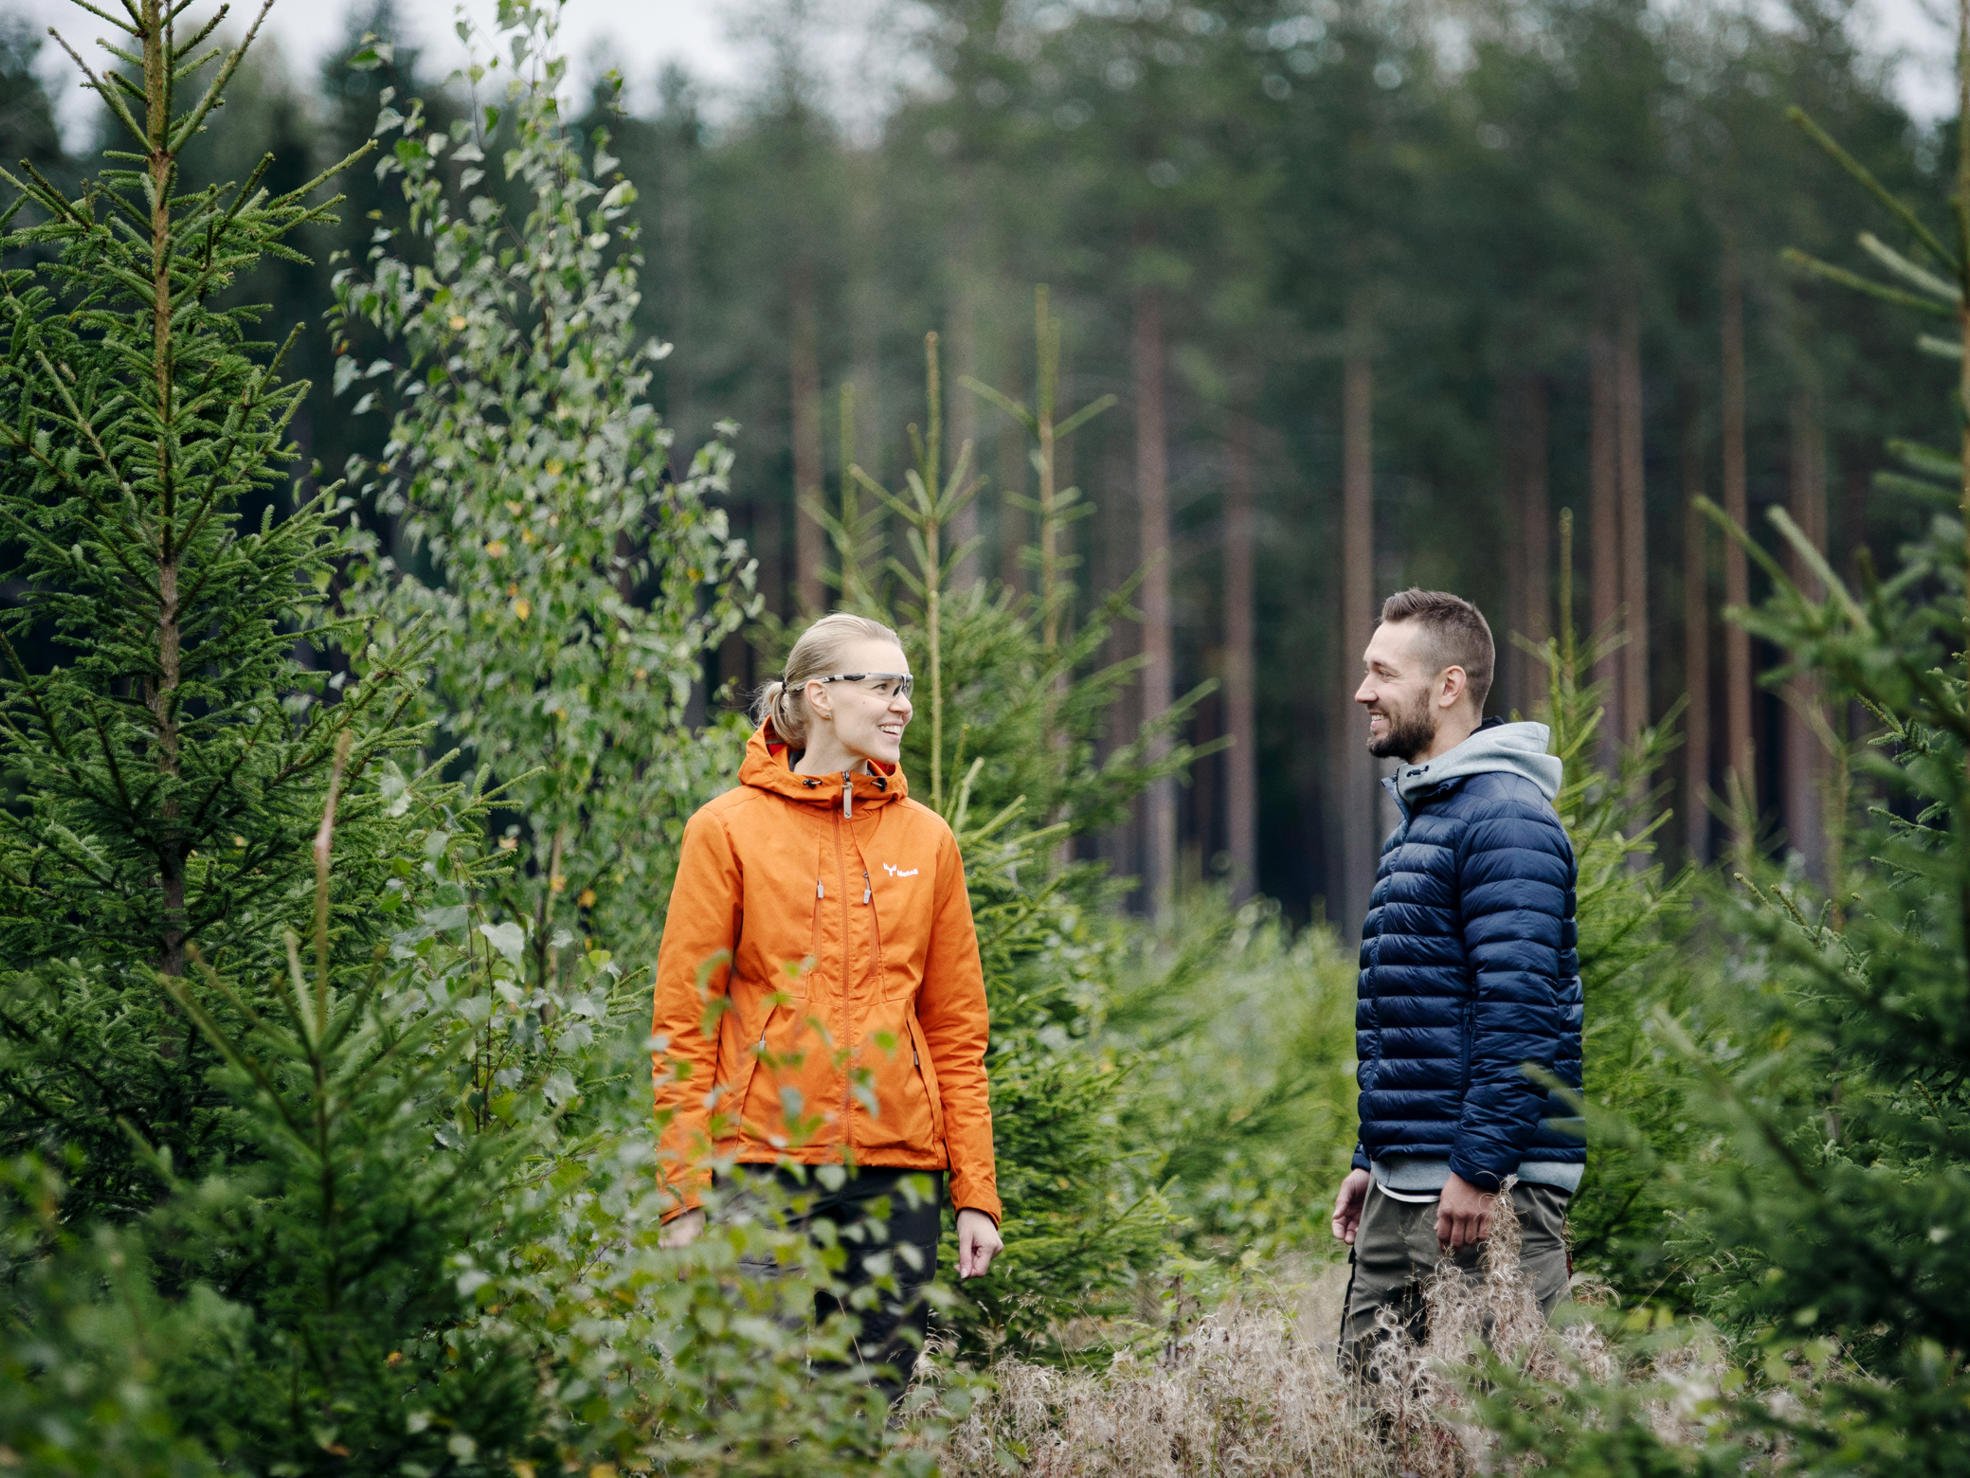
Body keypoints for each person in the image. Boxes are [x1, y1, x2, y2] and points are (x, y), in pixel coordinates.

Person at [651, 611, 1003, 1397]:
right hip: (759, 1168)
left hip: (897, 1173)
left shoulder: (928, 840)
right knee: (750, 1409)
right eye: (883, 685)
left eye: (907, 688)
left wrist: (974, 1194)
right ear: (819, 696)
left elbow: (955, 1032)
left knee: (869, 1409)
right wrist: (682, 1194)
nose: (903, 705)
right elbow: (682, 1026)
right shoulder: (725, 831)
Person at [1331, 589, 1583, 1373]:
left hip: (1484, 1192)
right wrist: (1374, 1156)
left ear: (1447, 687)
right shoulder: (1435, 814)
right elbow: (1425, 1012)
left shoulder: (1504, 820)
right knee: (1373, 1421)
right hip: (1412, 1180)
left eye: (1382, 673)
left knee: (1524, 1424)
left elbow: (1521, 1013)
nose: (1362, 692)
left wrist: (1477, 1170)